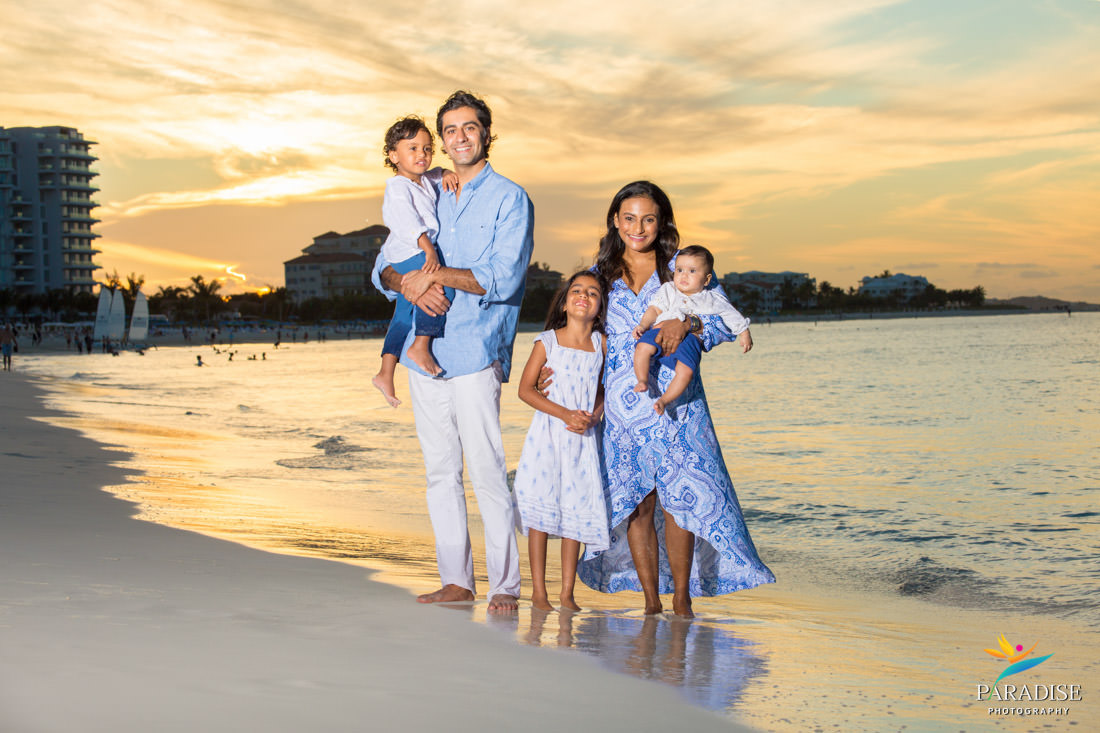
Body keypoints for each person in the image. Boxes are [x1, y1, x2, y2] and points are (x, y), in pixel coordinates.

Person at [558, 181, 773, 618]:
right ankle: (651, 602)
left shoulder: (685, 267)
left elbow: (720, 323)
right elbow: (578, 336)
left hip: (679, 404)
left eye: (649, 218)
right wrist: (554, 373)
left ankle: (682, 601)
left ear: (662, 223)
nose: (639, 227)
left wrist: (689, 323)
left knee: (683, 498)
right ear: (616, 222)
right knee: (637, 503)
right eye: (630, 217)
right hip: (621, 408)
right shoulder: (601, 278)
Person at [371, 90, 535, 612]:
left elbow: (502, 278)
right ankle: (457, 581)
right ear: (440, 139)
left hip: (476, 347)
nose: (458, 138)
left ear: (486, 133)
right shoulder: (426, 188)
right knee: (440, 470)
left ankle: (505, 585)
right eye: (449, 130)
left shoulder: (510, 198)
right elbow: (383, 269)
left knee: (486, 468)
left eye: (469, 128)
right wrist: (408, 281)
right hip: (428, 352)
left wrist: (434, 274)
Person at [514, 271, 609, 612]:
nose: (584, 296)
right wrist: (565, 413)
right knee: (541, 514)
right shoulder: (547, 341)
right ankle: (539, 592)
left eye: (593, 293)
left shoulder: (601, 343)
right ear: (566, 302)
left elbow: (603, 388)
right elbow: (525, 390)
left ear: (599, 308)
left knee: (576, 513)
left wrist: (595, 413)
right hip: (549, 437)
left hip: (583, 441)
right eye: (577, 291)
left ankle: (567, 593)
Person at [372, 116, 455, 407]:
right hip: (410, 250)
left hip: (411, 249)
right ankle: (421, 345)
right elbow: (407, 222)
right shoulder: (398, 187)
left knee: (404, 312)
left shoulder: (424, 179)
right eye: (412, 148)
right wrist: (428, 249)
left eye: (427, 148)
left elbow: (437, 172)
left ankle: (385, 371)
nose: (421, 154)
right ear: (394, 155)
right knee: (444, 285)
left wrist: (444, 171)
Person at [631, 244, 752, 414]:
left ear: (707, 279)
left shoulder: (711, 298)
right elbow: (654, 309)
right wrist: (643, 325)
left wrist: (744, 332)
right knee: (643, 347)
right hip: (658, 332)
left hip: (690, 340)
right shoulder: (669, 290)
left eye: (692, 271)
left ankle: (664, 400)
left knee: (686, 370)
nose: (684, 275)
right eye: (679, 270)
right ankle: (642, 380)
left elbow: (730, 314)